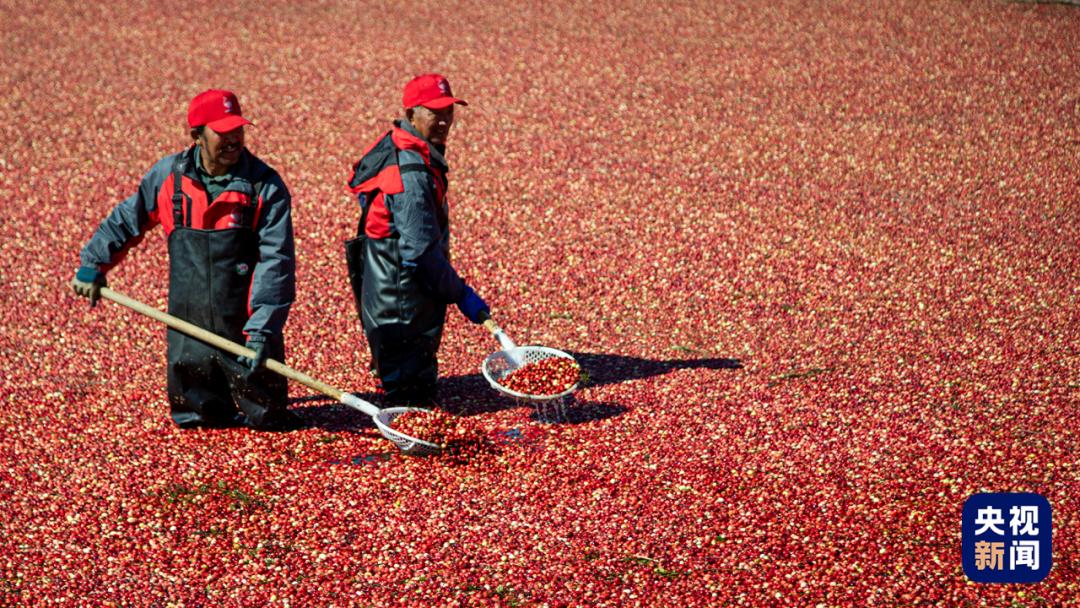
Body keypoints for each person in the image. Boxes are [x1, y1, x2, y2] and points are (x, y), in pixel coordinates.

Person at [71, 89, 302, 431]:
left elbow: (276, 262)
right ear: (197, 136)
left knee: (266, 415)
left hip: (243, 326)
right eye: (222, 132)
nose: (233, 139)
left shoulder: (263, 187)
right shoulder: (169, 178)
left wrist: (261, 331)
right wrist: (94, 264)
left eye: (238, 129)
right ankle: (204, 410)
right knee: (198, 420)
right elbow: (126, 220)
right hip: (187, 323)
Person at [345, 73, 490, 405]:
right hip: (400, 293)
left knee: (402, 371)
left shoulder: (406, 147)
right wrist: (460, 292)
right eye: (433, 112)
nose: (443, 121)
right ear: (411, 115)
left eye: (448, 112)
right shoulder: (410, 173)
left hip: (394, 284)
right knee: (408, 393)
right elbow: (420, 250)